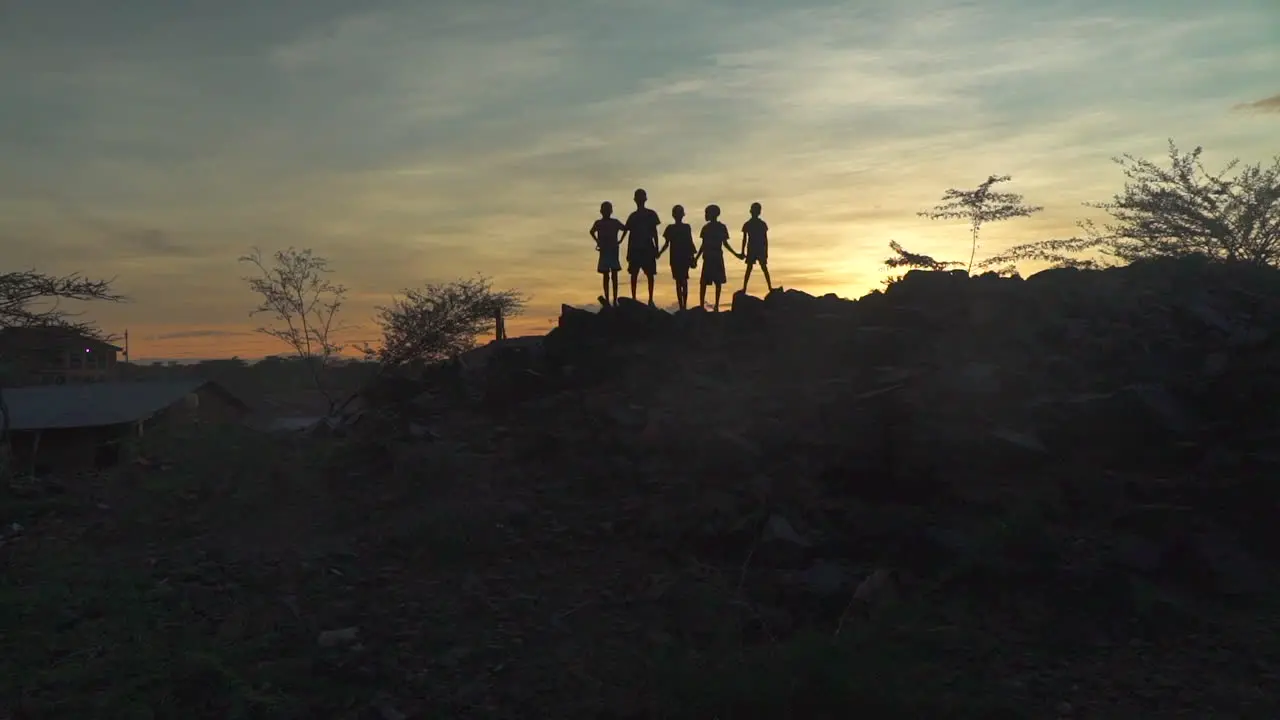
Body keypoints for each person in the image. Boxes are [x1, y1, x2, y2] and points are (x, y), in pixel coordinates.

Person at [695, 204, 743, 312]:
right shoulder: (710, 228)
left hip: (713, 257)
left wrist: (736, 254)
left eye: (707, 213)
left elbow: (722, 244)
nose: (705, 215)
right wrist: (696, 258)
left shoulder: (713, 228)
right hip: (711, 257)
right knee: (709, 282)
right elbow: (704, 245)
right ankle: (705, 305)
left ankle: (712, 305)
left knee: (715, 282)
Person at [621, 188, 661, 305]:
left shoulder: (651, 214)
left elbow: (655, 232)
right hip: (635, 249)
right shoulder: (633, 216)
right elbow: (627, 232)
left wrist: (656, 248)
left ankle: (650, 299)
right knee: (634, 274)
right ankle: (634, 297)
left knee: (650, 275)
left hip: (647, 248)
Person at [657, 204, 697, 310]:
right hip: (677, 257)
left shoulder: (683, 228)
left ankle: (683, 305)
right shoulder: (673, 228)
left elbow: (689, 242)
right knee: (681, 281)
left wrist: (693, 256)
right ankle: (682, 305)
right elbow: (667, 244)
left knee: (681, 281)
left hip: (682, 257)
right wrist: (660, 253)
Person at [589, 201, 625, 306]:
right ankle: (608, 298)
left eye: (608, 210)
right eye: (605, 210)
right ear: (601, 211)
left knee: (614, 275)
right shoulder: (599, 223)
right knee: (606, 275)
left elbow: (625, 229)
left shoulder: (614, 222)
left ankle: (614, 299)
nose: (606, 212)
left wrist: (620, 240)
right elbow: (591, 231)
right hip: (605, 250)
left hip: (613, 250)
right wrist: (598, 241)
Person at [740, 201, 774, 294]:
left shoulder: (760, 224)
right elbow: (744, 239)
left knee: (762, 268)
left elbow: (765, 239)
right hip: (753, 248)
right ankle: (744, 288)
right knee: (750, 268)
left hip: (758, 248)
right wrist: (743, 252)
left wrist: (766, 252)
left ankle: (770, 287)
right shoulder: (749, 224)